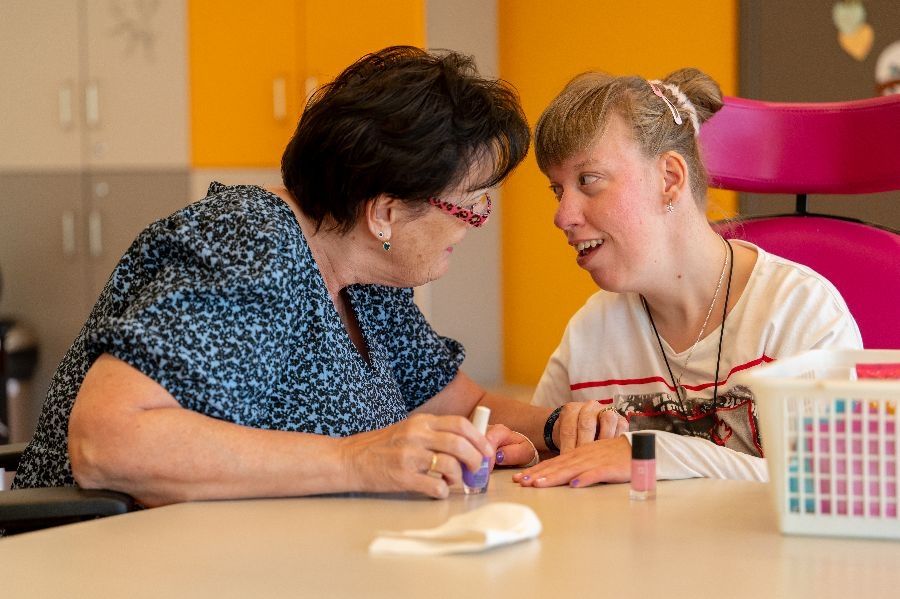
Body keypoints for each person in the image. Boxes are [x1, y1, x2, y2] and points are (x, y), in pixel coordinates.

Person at [13, 46, 542, 506]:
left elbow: (465, 405)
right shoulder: (251, 244)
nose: (474, 226)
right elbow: (107, 444)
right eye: (469, 207)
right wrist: (356, 459)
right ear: (384, 213)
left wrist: (561, 426)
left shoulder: (370, 281)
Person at [512, 68, 862, 488]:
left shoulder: (800, 313)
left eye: (588, 181)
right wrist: (523, 449)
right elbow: (550, 459)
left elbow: (834, 488)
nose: (562, 216)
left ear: (669, 179)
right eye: (557, 190)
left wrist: (652, 453)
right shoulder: (591, 334)